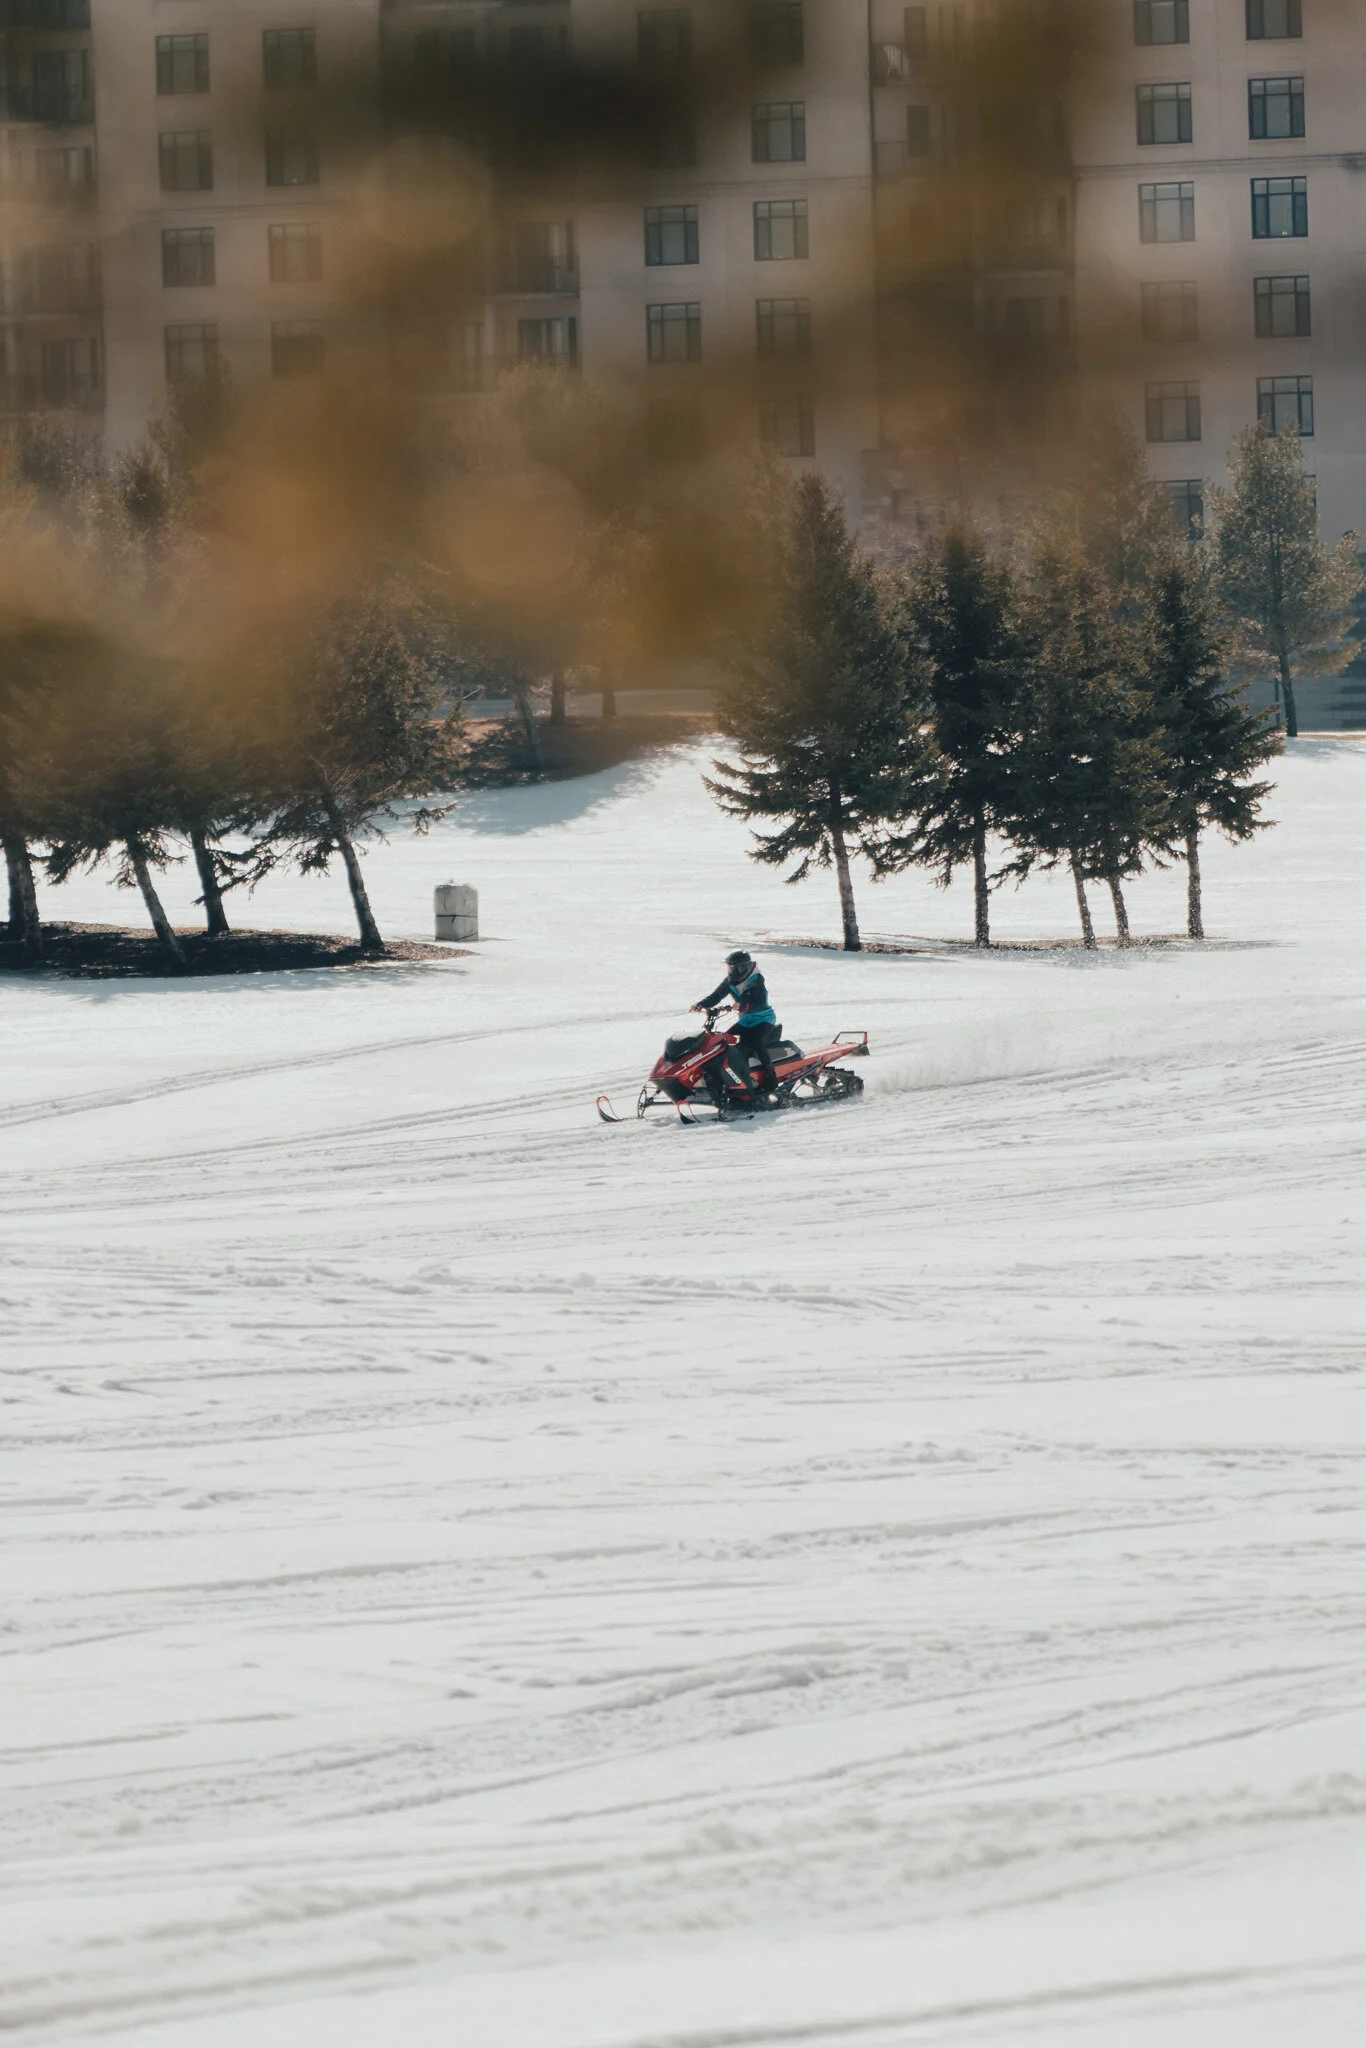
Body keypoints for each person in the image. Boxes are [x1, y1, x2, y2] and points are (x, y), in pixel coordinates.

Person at [693, 950, 780, 1106]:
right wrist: (701, 1004)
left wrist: (744, 1006)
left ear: (744, 967)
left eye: (735, 968)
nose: (732, 971)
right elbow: (716, 995)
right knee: (722, 1043)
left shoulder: (756, 980)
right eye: (730, 968)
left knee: (756, 1043)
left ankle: (771, 1078)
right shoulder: (730, 981)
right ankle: (730, 1081)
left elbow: (759, 1003)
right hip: (746, 1021)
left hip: (764, 1020)